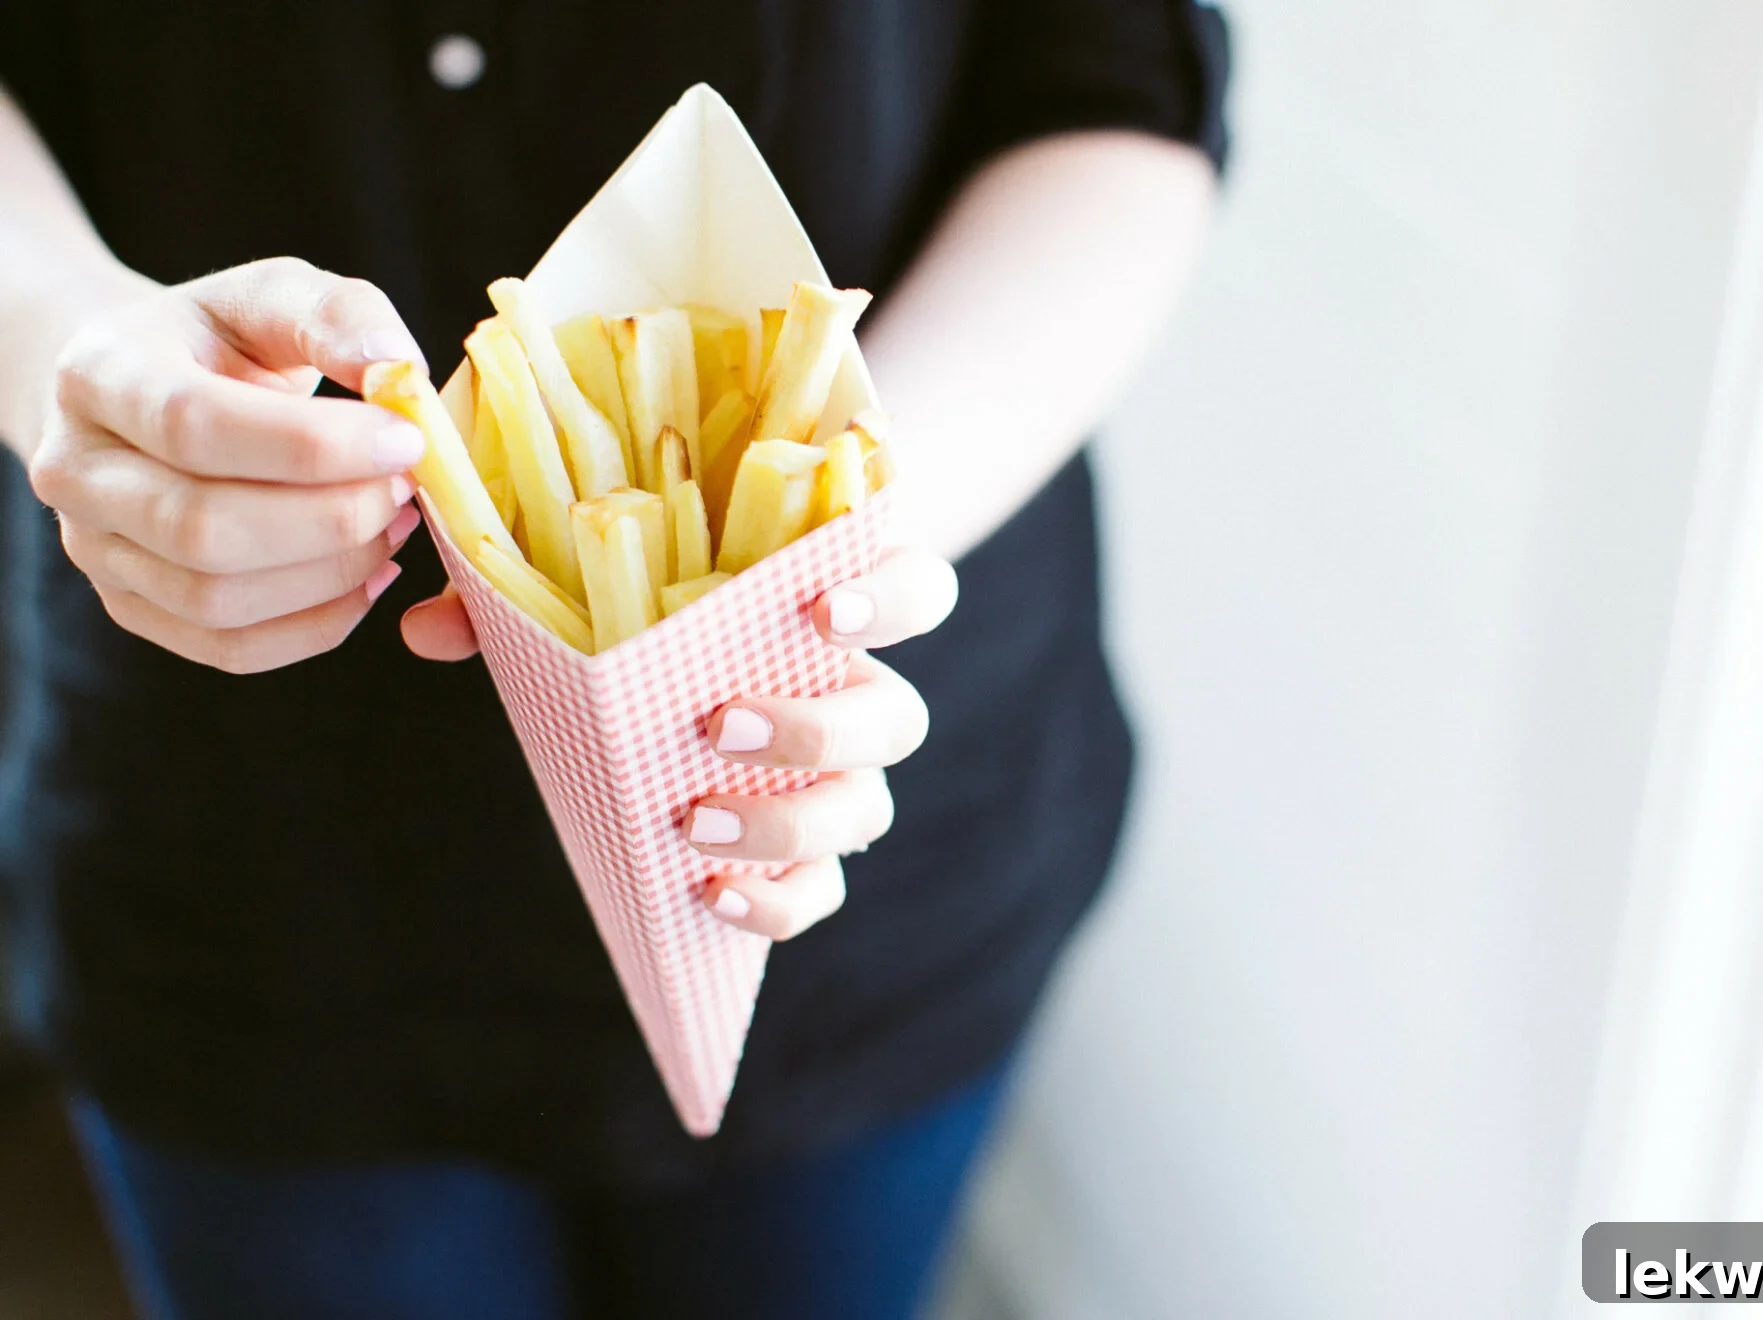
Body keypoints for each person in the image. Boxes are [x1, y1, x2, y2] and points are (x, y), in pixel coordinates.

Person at [0, 3, 1228, 1317]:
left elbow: (1110, 71)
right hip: (250, 871)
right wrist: (68, 356)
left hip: (873, 845)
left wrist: (823, 543)